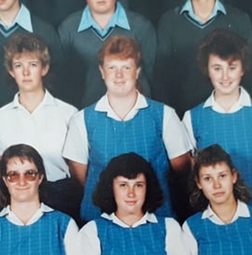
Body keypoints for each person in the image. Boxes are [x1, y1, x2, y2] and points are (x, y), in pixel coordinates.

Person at [63, 36, 192, 223]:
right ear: (102, 71)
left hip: (156, 219)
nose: (119, 75)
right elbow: (80, 178)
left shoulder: (164, 115)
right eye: (112, 68)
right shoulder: (82, 120)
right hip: (100, 220)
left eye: (126, 67)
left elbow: (181, 172)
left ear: (138, 71)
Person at [182, 30, 252, 216]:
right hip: (215, 214)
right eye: (217, 68)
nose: (225, 76)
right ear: (207, 70)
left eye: (232, 67)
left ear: (243, 68)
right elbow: (193, 175)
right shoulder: (192, 118)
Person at [155, 0, 252, 113]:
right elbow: (162, 80)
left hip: (232, 111)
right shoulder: (169, 22)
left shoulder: (238, 19)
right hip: (184, 115)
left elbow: (251, 74)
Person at [0, 32, 81, 219]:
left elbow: (79, 175)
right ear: (11, 71)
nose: (26, 72)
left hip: (61, 200)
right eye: (19, 66)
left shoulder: (69, 114)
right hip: (17, 201)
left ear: (44, 68)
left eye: (33, 65)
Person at [56, 0, 157, 107]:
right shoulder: (68, 29)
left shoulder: (141, 27)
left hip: (133, 114)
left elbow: (152, 78)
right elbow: (62, 83)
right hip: (84, 117)